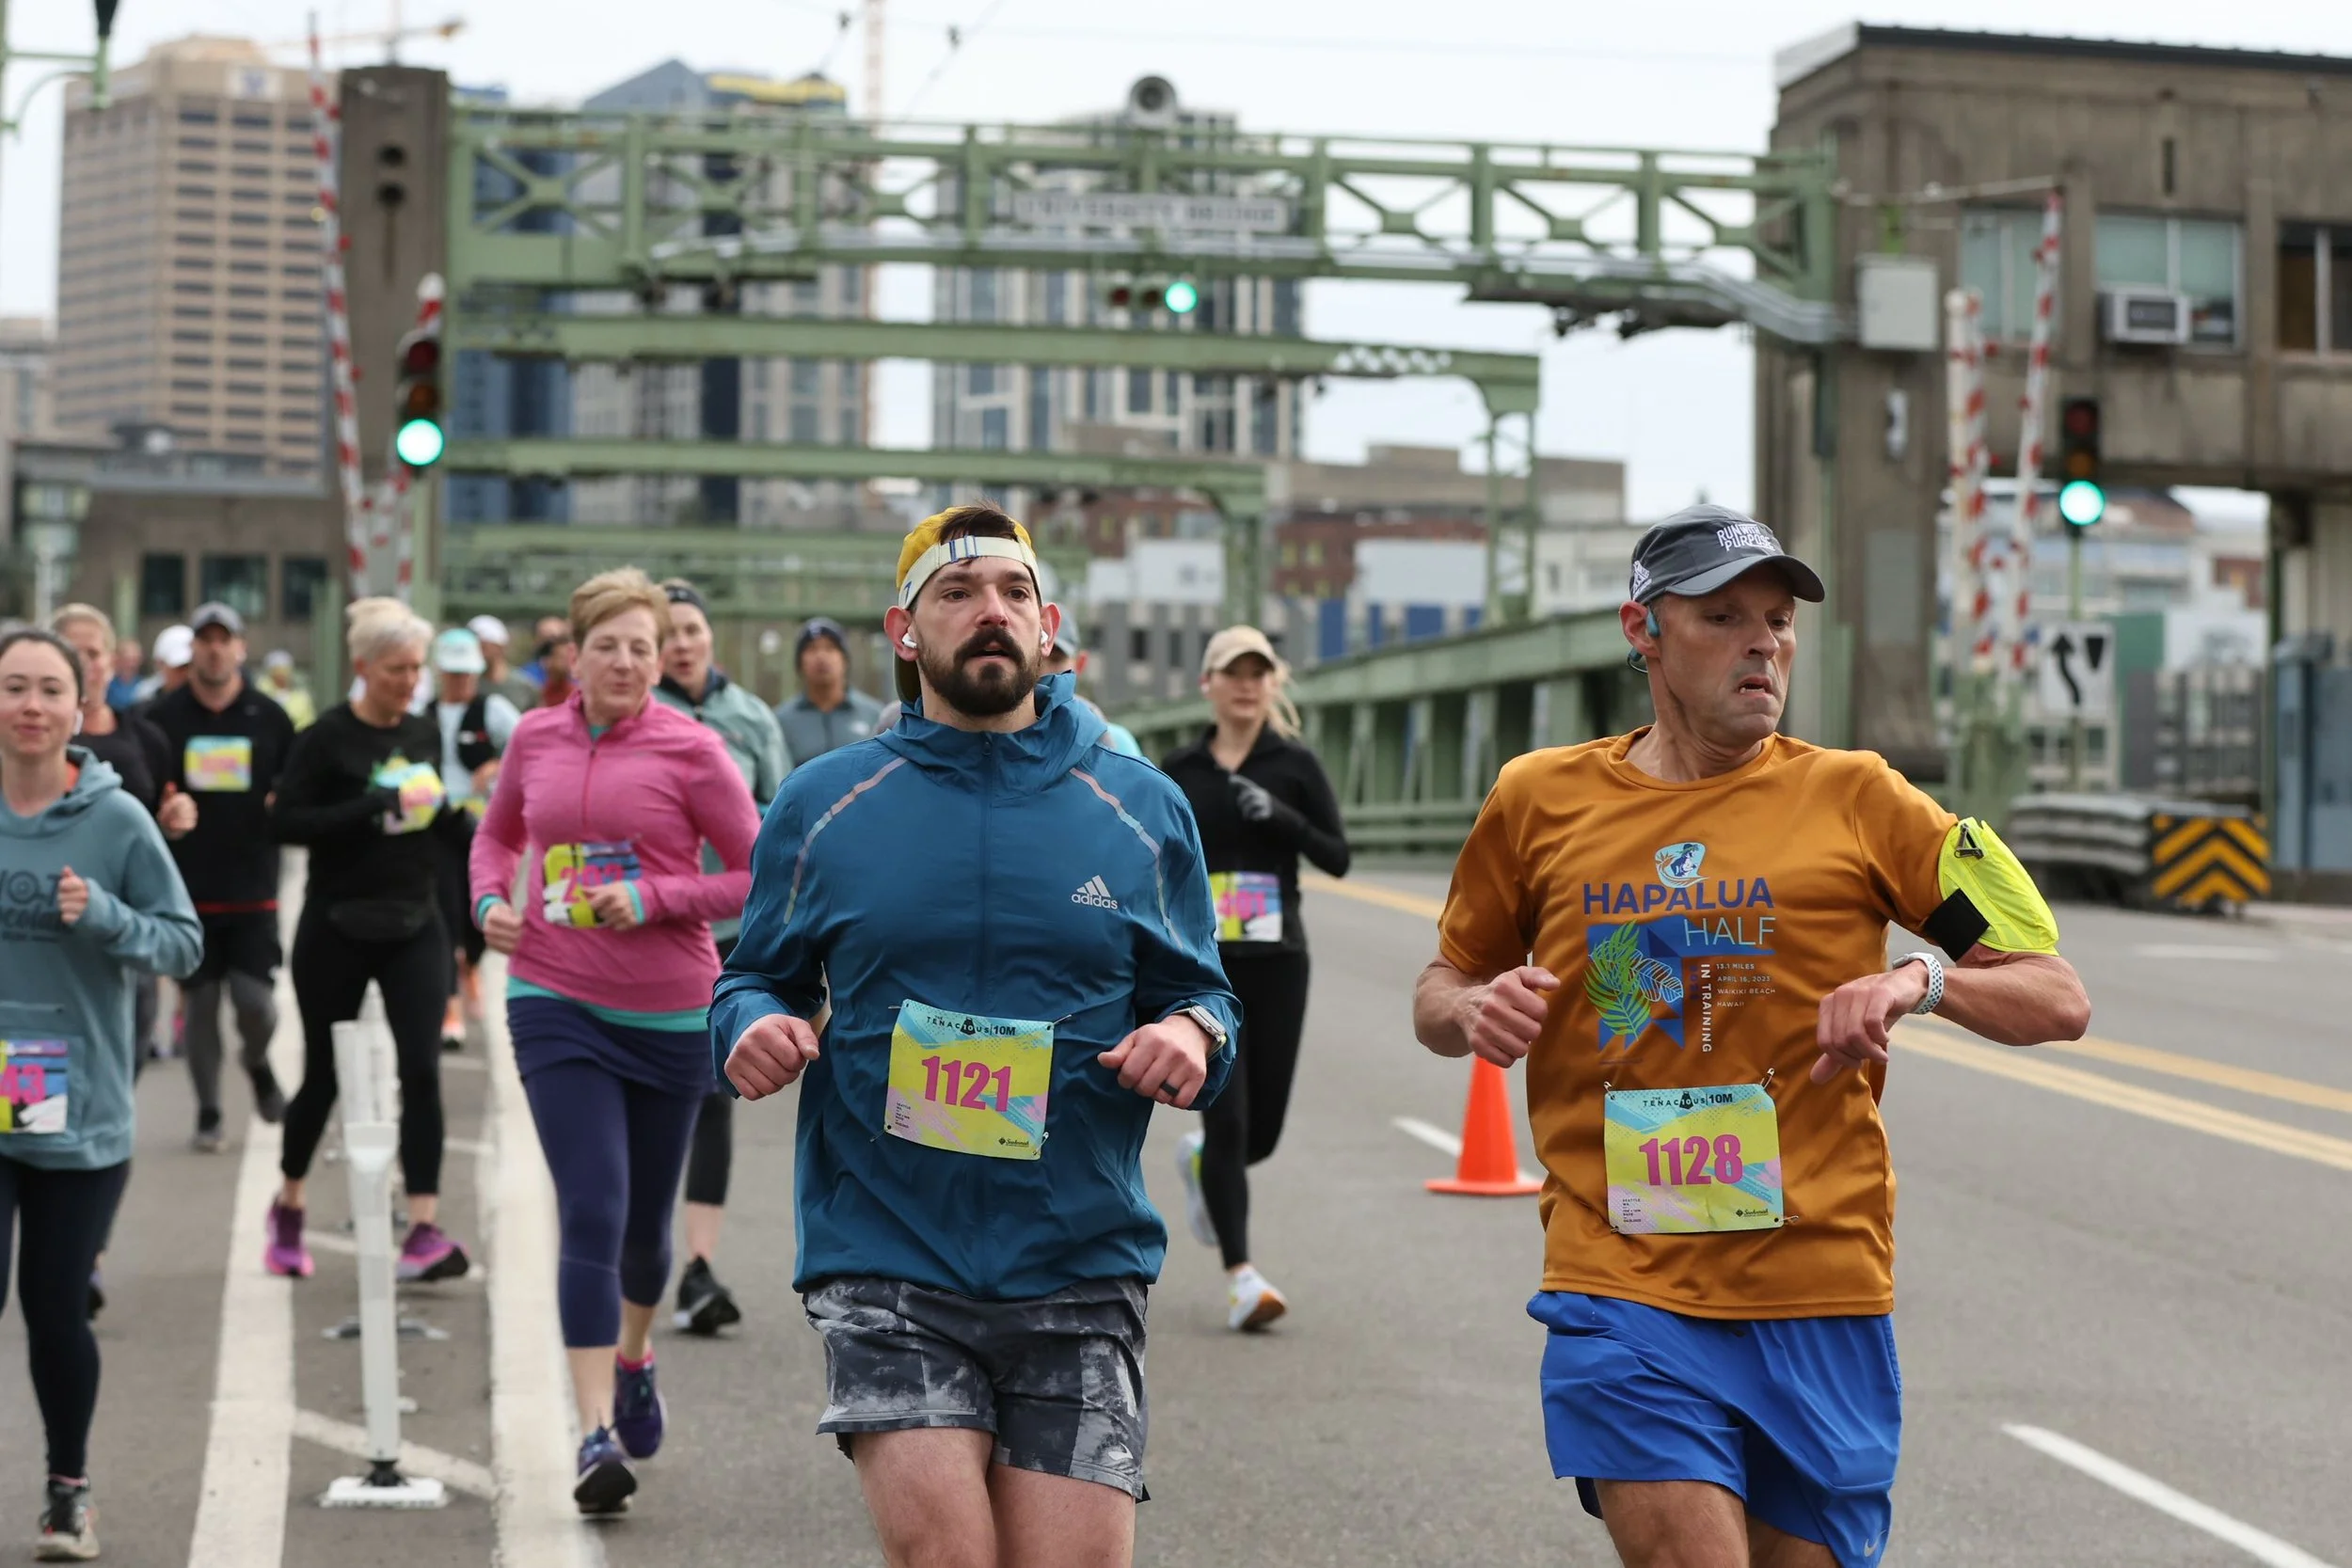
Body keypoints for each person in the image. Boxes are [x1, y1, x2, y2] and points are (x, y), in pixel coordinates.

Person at [1410, 504, 2092, 1568]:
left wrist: (1920, 979)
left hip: (1817, 1284)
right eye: (1723, 616)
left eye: (1775, 619)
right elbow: (1442, 983)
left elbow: (2056, 991)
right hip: (1620, 1272)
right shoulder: (1538, 798)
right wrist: (1469, 1011)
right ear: (1642, 629)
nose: (1761, 642)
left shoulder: (1861, 798)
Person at [715, 502, 1239, 1565]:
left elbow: (1207, 995)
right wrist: (753, 1021)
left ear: (1049, 628)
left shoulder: (1139, 806)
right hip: (887, 1250)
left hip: (1078, 1256)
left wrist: (1189, 1032)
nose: (987, 612)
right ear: (905, 634)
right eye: (955, 594)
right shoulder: (824, 803)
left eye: (1011, 593)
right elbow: (750, 976)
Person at [469, 569, 761, 1516]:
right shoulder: (534, 736)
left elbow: (759, 874)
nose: (630, 661)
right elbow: (496, 837)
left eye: (646, 645)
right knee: (590, 1206)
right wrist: (486, 903)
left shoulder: (693, 748)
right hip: (554, 996)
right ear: (576, 655)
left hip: (672, 1008)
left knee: (645, 1231)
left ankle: (636, 1355)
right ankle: (593, 1428)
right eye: (610, 645)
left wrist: (652, 896)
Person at [0, 627, 201, 1560]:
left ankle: (68, 1490)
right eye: (13, 687)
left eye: (49, 689)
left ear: (81, 708)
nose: (29, 706)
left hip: (66, 1086)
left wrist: (112, 917)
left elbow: (182, 942)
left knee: (52, 1306)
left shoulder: (116, 819)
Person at [266, 597, 470, 1285]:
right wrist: (367, 807)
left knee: (421, 1069)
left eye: (416, 668)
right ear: (362, 667)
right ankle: (290, 1205)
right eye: (395, 669)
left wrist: (468, 832)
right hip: (337, 923)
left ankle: (422, 1226)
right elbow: (288, 821)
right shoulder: (326, 737)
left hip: (414, 919)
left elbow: (428, 811)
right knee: (323, 1076)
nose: (410, 681)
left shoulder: (420, 732)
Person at [1161, 626, 1350, 1331]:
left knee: (1260, 1133)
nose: (1246, 684)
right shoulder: (1181, 769)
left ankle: (1204, 1163)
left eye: (1258, 672)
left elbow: (1338, 856)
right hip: (1204, 968)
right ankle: (1241, 1275)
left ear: (1273, 683)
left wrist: (1284, 817)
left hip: (1279, 960)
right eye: (1231, 672)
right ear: (1208, 684)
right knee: (1231, 1118)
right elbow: (1150, 855)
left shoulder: (1293, 763)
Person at [650, 579, 790, 1338]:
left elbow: (780, 812)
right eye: (666, 632)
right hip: (651, 929)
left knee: (713, 1091)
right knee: (654, 1090)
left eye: (692, 629)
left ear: (710, 637)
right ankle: (637, 1244)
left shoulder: (748, 717)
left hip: (730, 927)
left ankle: (698, 1265)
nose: (681, 643)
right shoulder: (642, 718)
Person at [145, 602, 296, 1153]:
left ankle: (256, 1061)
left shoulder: (269, 716)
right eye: (203, 639)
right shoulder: (163, 718)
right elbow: (143, 789)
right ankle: (209, 1111)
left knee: (255, 1003)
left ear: (240, 648)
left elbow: (296, 782)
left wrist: (286, 800)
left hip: (253, 885)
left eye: (223, 639)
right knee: (202, 1006)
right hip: (187, 889)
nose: (213, 649)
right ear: (192, 650)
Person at [428, 627, 521, 1049]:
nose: (460, 681)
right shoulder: (422, 712)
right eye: (452, 673)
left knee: (480, 911)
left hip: (483, 828)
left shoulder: (493, 710)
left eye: (467, 673)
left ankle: (470, 965)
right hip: (434, 826)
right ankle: (449, 1003)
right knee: (443, 908)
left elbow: (528, 747)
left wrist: (497, 764)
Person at [773, 616, 882, 760]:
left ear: (844, 660)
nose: (821, 656)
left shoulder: (875, 716)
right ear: (799, 663)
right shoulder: (780, 721)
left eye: (830, 648)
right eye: (812, 649)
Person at [1043, 615, 1144, 758]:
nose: (1042, 671)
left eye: (1055, 659)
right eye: (1036, 658)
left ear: (1080, 663)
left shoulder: (1117, 741)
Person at [470, 615, 541, 713]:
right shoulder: (470, 687)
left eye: (483, 647)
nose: (478, 653)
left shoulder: (525, 686)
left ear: (499, 647)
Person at [132, 625, 192, 708]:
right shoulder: (145, 698)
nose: (187, 674)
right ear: (159, 664)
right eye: (180, 668)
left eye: (191, 666)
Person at [259, 650, 316, 730]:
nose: (281, 674)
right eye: (277, 670)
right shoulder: (263, 695)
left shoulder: (302, 698)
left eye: (285, 670)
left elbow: (308, 724)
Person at [103, 639, 143, 715]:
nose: (131, 664)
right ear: (117, 659)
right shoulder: (107, 684)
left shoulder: (144, 686)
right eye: (127, 659)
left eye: (134, 660)